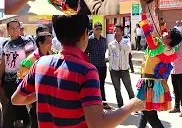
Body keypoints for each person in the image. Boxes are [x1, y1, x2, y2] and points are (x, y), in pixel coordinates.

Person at [11, 15, 145, 128]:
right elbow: (98, 124)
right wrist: (131, 106)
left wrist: (46, 92)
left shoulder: (40, 63)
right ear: (85, 35)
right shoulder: (86, 71)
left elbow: (16, 99)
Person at [137, 0, 182, 128]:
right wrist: (160, 16)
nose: (164, 32)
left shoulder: (156, 46)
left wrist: (143, 10)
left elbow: (146, 29)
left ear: (169, 40)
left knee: (149, 114)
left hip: (149, 83)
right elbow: (164, 30)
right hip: (153, 82)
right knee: (145, 111)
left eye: (167, 34)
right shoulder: (168, 48)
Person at [0, 20, 36, 128]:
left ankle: (8, 125)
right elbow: (3, 62)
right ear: (8, 30)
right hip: (8, 79)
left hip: (21, 78)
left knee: (12, 103)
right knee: (15, 103)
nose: (15, 30)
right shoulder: (6, 43)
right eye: (13, 28)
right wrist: (0, 77)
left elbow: (31, 59)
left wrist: (27, 76)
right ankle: (25, 119)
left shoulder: (26, 42)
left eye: (17, 27)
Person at [17, 32, 57, 128]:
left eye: (51, 42)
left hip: (52, 94)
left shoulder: (55, 54)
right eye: (48, 42)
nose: (51, 44)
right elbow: (21, 79)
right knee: (36, 119)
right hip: (36, 96)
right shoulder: (30, 60)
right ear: (40, 43)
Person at [86, 22, 112, 109]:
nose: (99, 31)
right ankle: (93, 103)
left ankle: (103, 102)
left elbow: (105, 51)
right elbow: (86, 53)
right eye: (97, 29)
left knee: (102, 84)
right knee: (94, 85)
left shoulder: (104, 40)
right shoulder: (89, 40)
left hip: (102, 65)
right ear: (93, 29)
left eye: (100, 29)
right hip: (93, 66)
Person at [108, 25, 135, 108]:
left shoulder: (126, 41)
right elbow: (110, 57)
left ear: (122, 32)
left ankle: (133, 106)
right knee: (117, 90)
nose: (115, 33)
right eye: (114, 31)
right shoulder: (111, 44)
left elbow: (128, 50)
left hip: (124, 69)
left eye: (117, 31)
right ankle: (121, 106)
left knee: (129, 88)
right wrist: (110, 68)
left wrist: (120, 42)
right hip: (114, 70)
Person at [169, 39, 182, 117]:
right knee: (175, 90)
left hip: (181, 69)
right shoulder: (171, 45)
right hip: (173, 70)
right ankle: (176, 106)